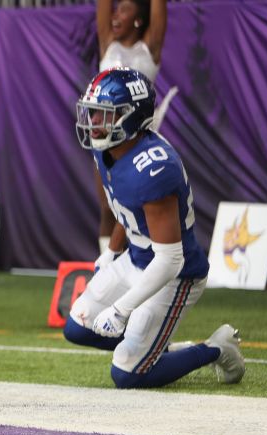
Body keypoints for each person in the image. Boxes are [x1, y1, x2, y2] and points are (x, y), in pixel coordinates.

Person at [64, 67, 245, 389]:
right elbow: (124, 205)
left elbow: (170, 260)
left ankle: (215, 348)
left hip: (175, 276)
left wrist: (121, 310)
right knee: (77, 328)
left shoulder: (153, 168)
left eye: (105, 115)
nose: (93, 123)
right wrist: (112, 251)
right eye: (92, 113)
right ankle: (151, 349)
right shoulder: (106, 148)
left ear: (131, 118)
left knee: (127, 374)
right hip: (136, 258)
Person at [93, 0, 167, 252]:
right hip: (106, 140)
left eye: (124, 9)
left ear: (139, 19)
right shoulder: (107, 45)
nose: (115, 14)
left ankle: (147, 264)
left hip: (140, 143)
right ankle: (105, 267)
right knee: (108, 208)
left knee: (140, 208)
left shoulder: (149, 48)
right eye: (116, 8)